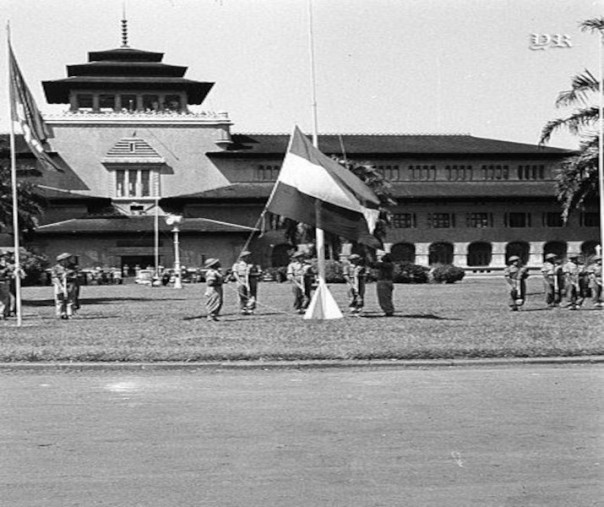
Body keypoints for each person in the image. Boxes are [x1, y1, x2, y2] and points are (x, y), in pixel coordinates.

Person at [231, 250, 261, 315]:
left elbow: (259, 273)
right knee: (242, 294)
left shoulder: (254, 265)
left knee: (252, 294)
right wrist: (240, 281)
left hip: (252, 280)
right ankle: (243, 308)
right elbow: (235, 273)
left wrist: (254, 273)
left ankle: (250, 308)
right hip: (241, 280)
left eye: (249, 256)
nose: (249, 258)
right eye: (247, 257)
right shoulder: (237, 265)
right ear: (243, 257)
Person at [51, 252, 79, 319]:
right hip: (59, 284)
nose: (69, 260)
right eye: (67, 259)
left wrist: (68, 276)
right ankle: (61, 314)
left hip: (70, 284)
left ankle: (70, 314)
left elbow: (75, 276)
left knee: (71, 299)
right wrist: (60, 286)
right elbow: (54, 277)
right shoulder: (55, 268)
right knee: (59, 299)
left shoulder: (72, 267)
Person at [370, 252, 395, 316]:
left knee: (383, 297)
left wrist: (369, 254)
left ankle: (388, 310)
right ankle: (389, 309)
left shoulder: (385, 265)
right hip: (389, 282)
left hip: (383, 282)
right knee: (388, 297)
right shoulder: (391, 264)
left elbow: (373, 264)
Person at [0, 251, 14, 320]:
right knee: (4, 299)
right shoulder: (4, 264)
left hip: (4, 282)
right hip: (2, 281)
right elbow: (2, 272)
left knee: (4, 299)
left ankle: (2, 314)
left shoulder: (6, 264)